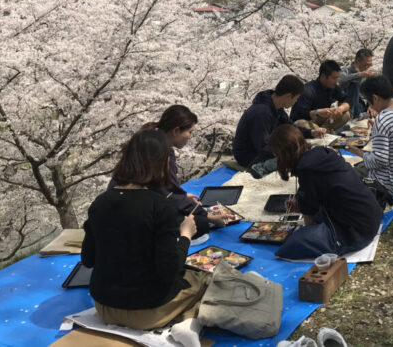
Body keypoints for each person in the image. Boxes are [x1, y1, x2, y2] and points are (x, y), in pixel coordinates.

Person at [82, 129, 209, 344]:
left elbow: (88, 259)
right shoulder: (159, 206)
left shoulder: (100, 202)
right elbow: (169, 271)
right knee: (202, 279)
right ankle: (188, 324)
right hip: (148, 310)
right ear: (161, 163)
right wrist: (185, 235)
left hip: (104, 307)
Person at [268, 124, 383, 260]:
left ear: (284, 154)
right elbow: (321, 194)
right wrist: (300, 205)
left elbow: (309, 213)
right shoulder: (322, 153)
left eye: (276, 155)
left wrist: (308, 232)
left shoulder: (307, 169)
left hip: (357, 233)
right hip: (371, 217)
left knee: (292, 244)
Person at [117, 106, 226, 236]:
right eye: (190, 132)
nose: (190, 137)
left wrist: (181, 196)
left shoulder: (149, 138)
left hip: (128, 201)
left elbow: (162, 190)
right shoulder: (162, 152)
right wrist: (208, 216)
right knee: (199, 224)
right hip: (139, 211)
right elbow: (164, 192)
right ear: (175, 131)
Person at [232, 74, 324, 178]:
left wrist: (311, 133)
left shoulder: (276, 107)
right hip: (249, 156)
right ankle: (259, 169)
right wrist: (292, 148)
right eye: (296, 98)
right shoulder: (261, 113)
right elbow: (263, 145)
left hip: (263, 149)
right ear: (288, 96)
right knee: (295, 158)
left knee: (300, 154)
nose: (296, 101)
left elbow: (290, 127)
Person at [290, 60, 351, 132]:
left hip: (323, 120)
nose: (336, 81)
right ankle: (322, 131)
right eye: (334, 78)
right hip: (309, 121)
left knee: (346, 114)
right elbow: (298, 115)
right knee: (300, 123)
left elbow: (347, 99)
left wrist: (341, 109)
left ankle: (324, 131)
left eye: (337, 78)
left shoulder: (333, 87)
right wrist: (317, 112)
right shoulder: (308, 90)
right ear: (323, 76)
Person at [339, 48, 375, 118]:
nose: (367, 67)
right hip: (349, 105)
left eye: (370, 65)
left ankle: (364, 114)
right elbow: (339, 80)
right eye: (366, 65)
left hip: (364, 106)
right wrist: (358, 75)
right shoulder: (345, 70)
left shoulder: (368, 74)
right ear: (357, 61)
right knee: (354, 83)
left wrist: (372, 105)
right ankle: (351, 114)